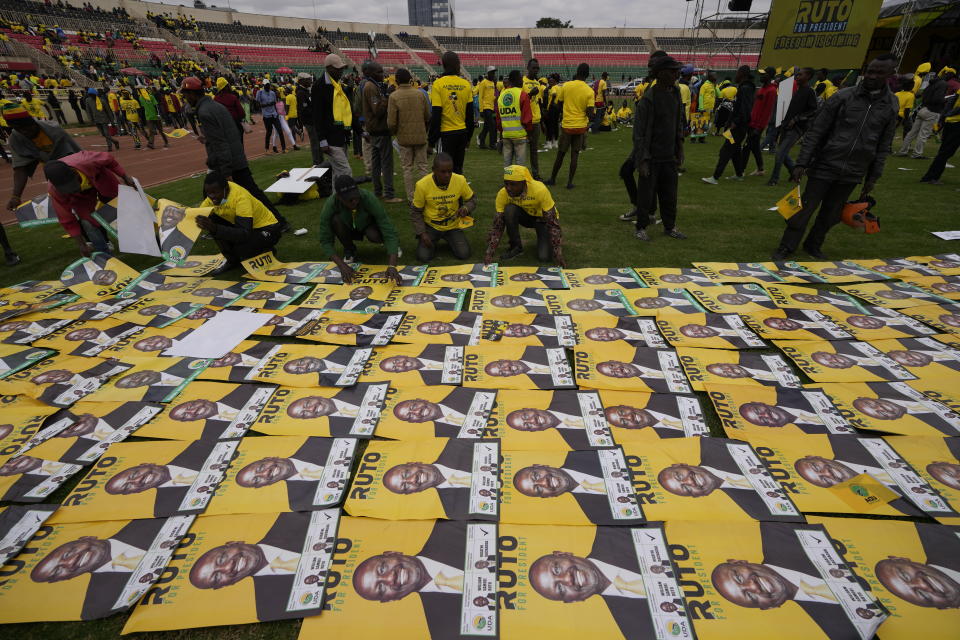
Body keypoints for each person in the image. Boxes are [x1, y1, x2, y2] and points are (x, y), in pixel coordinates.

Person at [771, 55, 898, 261]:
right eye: (870, 71)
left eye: (879, 72)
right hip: (826, 163)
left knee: (832, 213)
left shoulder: (891, 104)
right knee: (805, 209)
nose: (872, 76)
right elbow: (817, 131)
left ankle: (813, 245)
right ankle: (787, 246)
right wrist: (802, 162)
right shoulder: (843, 97)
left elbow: (884, 144)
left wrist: (873, 177)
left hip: (854, 169)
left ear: (891, 75)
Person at [179, 77, 286, 228]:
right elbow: (226, 134)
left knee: (220, 194)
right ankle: (277, 221)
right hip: (234, 157)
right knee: (249, 193)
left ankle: (276, 222)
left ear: (192, 94)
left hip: (228, 162)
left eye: (185, 95)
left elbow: (220, 143)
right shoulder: (215, 105)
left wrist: (226, 170)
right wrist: (208, 139)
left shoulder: (204, 111)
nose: (185, 98)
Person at [633, 55, 686, 243]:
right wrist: (643, 160)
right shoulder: (649, 98)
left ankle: (669, 226)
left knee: (670, 195)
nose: (676, 74)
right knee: (645, 197)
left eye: (677, 71)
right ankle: (640, 227)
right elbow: (639, 133)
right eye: (673, 71)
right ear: (661, 73)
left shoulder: (676, 93)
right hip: (651, 157)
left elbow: (678, 123)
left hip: (669, 156)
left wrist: (679, 149)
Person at [43, 151, 134, 256]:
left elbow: (109, 159)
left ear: (74, 173)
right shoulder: (55, 191)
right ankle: (104, 254)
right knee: (88, 221)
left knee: (121, 207)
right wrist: (81, 245)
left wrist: (124, 176)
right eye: (67, 189)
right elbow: (66, 219)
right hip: (80, 199)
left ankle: (142, 235)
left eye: (72, 185)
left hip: (102, 179)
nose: (72, 190)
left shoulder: (87, 160)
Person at [318, 174, 401, 285]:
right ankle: (349, 250)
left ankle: (392, 247)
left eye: (356, 197)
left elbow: (388, 228)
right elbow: (325, 240)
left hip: (368, 226)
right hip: (348, 228)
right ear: (339, 197)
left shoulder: (368, 197)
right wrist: (341, 265)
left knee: (374, 235)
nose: (354, 202)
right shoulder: (330, 205)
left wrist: (392, 265)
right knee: (336, 220)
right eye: (349, 200)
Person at [196, 172, 282, 274]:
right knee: (211, 221)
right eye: (208, 193)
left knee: (242, 249)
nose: (211, 197)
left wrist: (215, 228)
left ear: (226, 189)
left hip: (268, 229)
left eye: (215, 193)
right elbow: (197, 216)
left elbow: (244, 234)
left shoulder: (241, 198)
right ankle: (232, 260)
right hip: (247, 227)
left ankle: (267, 249)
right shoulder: (213, 196)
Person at [484, 164, 564, 266]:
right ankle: (516, 247)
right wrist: (489, 253)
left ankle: (547, 240)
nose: (508, 188)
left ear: (524, 183)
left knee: (544, 257)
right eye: (506, 183)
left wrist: (558, 253)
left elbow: (552, 223)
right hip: (526, 217)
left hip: (543, 220)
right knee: (509, 210)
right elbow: (498, 226)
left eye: (513, 184)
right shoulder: (502, 194)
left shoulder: (540, 190)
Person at [411, 152, 476, 261]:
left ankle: (450, 240)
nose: (447, 175)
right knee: (423, 257)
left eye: (450, 171)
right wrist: (422, 233)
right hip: (431, 226)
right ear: (434, 170)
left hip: (452, 225)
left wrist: (466, 208)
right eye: (443, 172)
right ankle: (432, 240)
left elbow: (472, 199)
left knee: (464, 254)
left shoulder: (460, 180)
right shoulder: (422, 185)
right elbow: (415, 212)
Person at [545, 63, 595, 189]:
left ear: (577, 71)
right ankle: (569, 182)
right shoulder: (589, 91)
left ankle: (552, 179)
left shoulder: (566, 86)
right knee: (575, 155)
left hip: (567, 126)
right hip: (580, 127)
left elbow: (559, 105)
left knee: (561, 154)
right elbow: (590, 113)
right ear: (587, 74)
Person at [703, 65, 755, 184]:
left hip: (737, 127)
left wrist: (735, 122)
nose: (735, 75)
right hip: (734, 125)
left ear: (742, 74)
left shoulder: (745, 89)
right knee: (735, 150)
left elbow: (745, 109)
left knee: (726, 150)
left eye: (737, 73)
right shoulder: (743, 88)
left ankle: (715, 177)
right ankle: (739, 174)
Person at [767, 67, 817, 186]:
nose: (797, 77)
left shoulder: (809, 92)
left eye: (800, 75)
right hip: (786, 126)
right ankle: (793, 172)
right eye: (797, 75)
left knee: (780, 154)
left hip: (796, 128)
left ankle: (774, 179)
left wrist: (797, 119)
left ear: (808, 77)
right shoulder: (798, 90)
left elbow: (813, 110)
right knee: (783, 153)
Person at [388, 68, 430, 202]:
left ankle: (412, 198)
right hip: (420, 136)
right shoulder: (420, 94)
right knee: (423, 166)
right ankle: (425, 196)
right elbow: (428, 116)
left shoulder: (394, 96)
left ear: (397, 81)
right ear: (410, 79)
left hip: (404, 138)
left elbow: (391, 122)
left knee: (407, 168)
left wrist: (396, 133)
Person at [428, 51, 474, 174]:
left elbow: (436, 115)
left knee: (444, 171)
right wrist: (469, 137)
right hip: (462, 133)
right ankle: (459, 192)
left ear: (443, 65)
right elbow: (470, 115)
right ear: (458, 65)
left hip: (446, 134)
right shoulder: (466, 84)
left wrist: (431, 141)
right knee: (458, 169)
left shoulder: (438, 84)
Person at [361, 60, 400, 203]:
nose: (382, 74)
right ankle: (389, 194)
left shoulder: (371, 85)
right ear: (369, 73)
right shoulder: (370, 87)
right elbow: (378, 111)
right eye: (378, 72)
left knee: (376, 164)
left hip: (374, 130)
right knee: (387, 164)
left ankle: (378, 192)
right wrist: (388, 95)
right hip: (380, 130)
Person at [312, 53, 354, 181]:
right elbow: (317, 115)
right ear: (329, 68)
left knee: (337, 174)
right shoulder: (319, 87)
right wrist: (322, 140)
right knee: (345, 171)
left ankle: (337, 200)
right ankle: (346, 197)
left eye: (342, 68)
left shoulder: (338, 85)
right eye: (338, 68)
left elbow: (347, 110)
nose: (341, 71)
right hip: (330, 139)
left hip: (342, 135)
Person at [897, 69, 946, 159]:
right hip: (932, 111)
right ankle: (917, 154)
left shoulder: (931, 84)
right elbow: (938, 99)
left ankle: (903, 151)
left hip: (923, 110)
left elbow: (922, 95)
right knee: (923, 135)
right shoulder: (942, 84)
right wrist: (945, 100)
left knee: (912, 133)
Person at [742, 67, 777, 177]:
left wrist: (759, 127)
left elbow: (767, 111)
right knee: (755, 147)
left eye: (764, 74)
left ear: (770, 76)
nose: (761, 76)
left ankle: (740, 171)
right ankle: (760, 169)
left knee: (747, 147)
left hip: (757, 126)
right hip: (752, 123)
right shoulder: (761, 89)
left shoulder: (771, 91)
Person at [921, 87, 959, 185]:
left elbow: (950, 102)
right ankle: (931, 177)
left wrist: (944, 116)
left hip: (950, 123)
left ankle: (930, 176)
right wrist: (948, 115)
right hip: (956, 124)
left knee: (944, 152)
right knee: (945, 153)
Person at [496, 70, 532, 167]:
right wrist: (529, 132)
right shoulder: (522, 94)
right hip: (520, 135)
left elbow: (498, 119)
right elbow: (527, 118)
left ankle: (507, 181)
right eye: (520, 78)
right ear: (516, 80)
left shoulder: (501, 95)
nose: (522, 81)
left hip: (506, 135)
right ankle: (518, 182)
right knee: (520, 166)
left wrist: (502, 131)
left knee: (507, 164)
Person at [523, 58, 543, 178]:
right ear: (528, 68)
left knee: (534, 150)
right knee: (522, 150)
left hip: (536, 121)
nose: (535, 70)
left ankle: (535, 174)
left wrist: (543, 121)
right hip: (525, 121)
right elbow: (520, 101)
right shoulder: (522, 82)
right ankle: (522, 175)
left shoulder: (538, 83)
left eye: (537, 68)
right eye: (533, 68)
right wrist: (530, 94)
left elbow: (538, 102)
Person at [295, 73, 321, 165]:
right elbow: (304, 109)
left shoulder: (305, 91)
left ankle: (320, 162)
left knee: (318, 142)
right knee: (315, 143)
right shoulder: (301, 93)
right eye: (308, 79)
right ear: (302, 81)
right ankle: (317, 163)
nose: (311, 81)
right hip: (310, 122)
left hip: (313, 120)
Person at [256, 81, 285, 154]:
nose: (268, 87)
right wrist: (268, 104)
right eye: (266, 85)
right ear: (264, 85)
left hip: (274, 114)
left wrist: (277, 112)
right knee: (269, 132)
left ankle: (283, 148)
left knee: (280, 130)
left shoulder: (272, 93)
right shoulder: (260, 93)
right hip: (266, 115)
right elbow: (257, 105)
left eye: (269, 85)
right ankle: (267, 149)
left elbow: (275, 103)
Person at [477, 66, 498, 149]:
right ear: (488, 73)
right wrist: (481, 110)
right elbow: (480, 96)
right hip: (485, 107)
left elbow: (491, 96)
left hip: (491, 107)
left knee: (487, 126)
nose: (493, 74)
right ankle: (492, 144)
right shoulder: (483, 82)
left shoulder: (493, 83)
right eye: (492, 72)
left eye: (494, 72)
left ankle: (481, 142)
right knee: (492, 125)